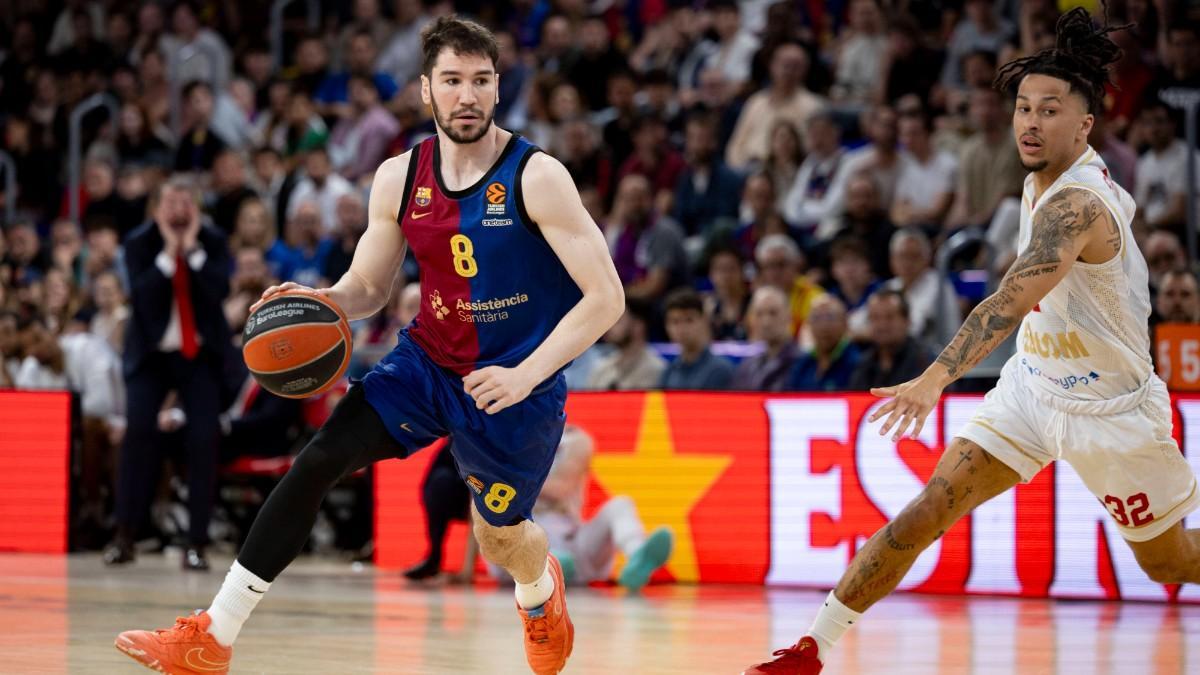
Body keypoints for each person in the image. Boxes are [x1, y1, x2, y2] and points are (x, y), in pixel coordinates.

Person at [116, 17, 624, 675]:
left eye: (480, 81)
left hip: (514, 382)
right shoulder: (398, 177)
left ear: (498, 89)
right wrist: (323, 299)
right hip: (428, 363)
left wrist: (526, 375)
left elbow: (606, 297)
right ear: (426, 91)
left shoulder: (538, 176)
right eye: (452, 81)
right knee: (319, 457)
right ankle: (212, 635)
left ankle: (539, 590)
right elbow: (368, 287)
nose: (466, 96)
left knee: (501, 536)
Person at [746, 11, 1200, 673]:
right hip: (1033, 386)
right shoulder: (1042, 176)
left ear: (1085, 125)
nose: (1030, 123)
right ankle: (811, 647)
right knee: (928, 506)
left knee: (1166, 560)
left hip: (1111, 412)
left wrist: (936, 375)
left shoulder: (1078, 203)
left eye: (1050, 110)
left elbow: (1012, 297)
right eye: (1022, 108)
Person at [104, 176, 233, 572]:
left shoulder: (210, 240)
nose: (178, 211)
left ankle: (196, 542)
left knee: (202, 439)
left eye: (185, 203)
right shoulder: (139, 243)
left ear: (195, 207)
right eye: (170, 203)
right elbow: (141, 295)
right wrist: (167, 252)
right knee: (139, 434)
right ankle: (125, 535)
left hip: (200, 359)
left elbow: (218, 291)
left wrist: (190, 249)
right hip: (152, 358)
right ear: (157, 208)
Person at [489, 425, 674, 590]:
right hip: (522, 541)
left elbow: (561, 488)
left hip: (572, 542)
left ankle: (637, 554)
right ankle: (550, 564)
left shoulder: (574, 439)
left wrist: (508, 478)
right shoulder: (502, 441)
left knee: (620, 505)